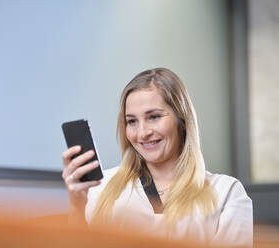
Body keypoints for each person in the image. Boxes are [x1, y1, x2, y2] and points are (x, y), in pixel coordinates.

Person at [62, 68, 253, 247]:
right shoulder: (99, 188)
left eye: (154, 117)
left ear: (182, 120)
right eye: (132, 121)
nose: (142, 133)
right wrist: (77, 206)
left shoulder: (226, 193)